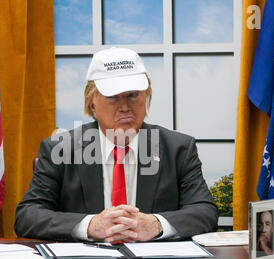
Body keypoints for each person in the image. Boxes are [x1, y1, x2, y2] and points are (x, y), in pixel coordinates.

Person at [14, 47, 218, 242]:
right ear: (92, 103)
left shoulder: (178, 149)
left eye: (133, 95)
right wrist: (90, 225)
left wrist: (156, 225)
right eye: (112, 97)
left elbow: (205, 212)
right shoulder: (61, 148)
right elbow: (27, 215)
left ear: (146, 96)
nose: (125, 107)